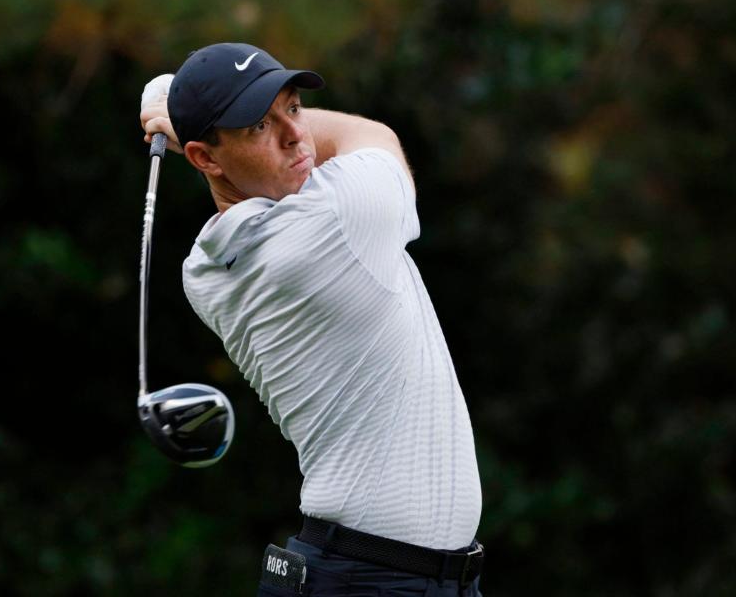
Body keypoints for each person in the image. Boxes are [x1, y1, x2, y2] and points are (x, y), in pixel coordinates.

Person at [139, 43, 484, 596]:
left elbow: (248, 194)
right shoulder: (335, 220)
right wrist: (180, 116)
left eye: (294, 107)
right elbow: (374, 138)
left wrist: (207, 131)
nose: (295, 135)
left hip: (367, 574)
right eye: (259, 125)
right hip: (373, 580)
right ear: (203, 156)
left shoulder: (204, 272)